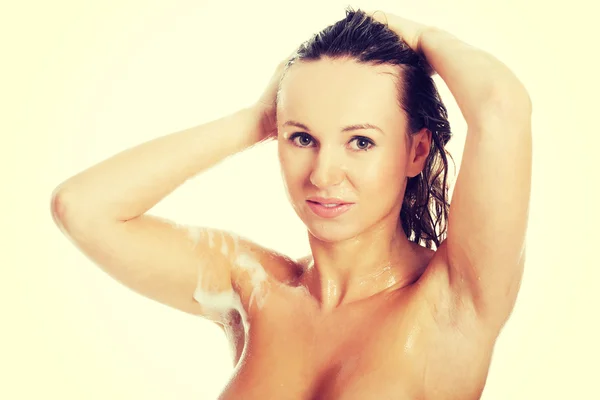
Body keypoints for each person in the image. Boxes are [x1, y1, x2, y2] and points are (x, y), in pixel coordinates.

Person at [50, 7, 532, 400]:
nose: (323, 175)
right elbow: (83, 209)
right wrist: (257, 118)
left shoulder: (452, 297)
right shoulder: (256, 290)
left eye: (361, 142)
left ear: (416, 151)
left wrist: (420, 35)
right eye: (302, 137)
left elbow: (501, 106)